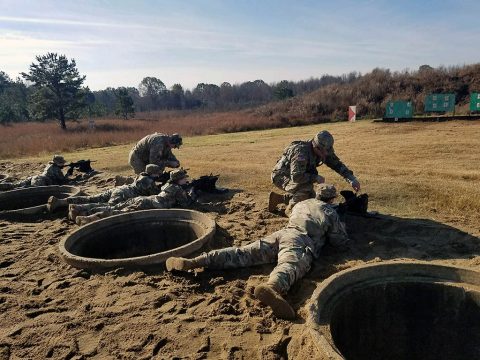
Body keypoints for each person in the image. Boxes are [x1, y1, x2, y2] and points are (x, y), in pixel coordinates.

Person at [165, 184, 350, 320]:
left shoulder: (302, 203)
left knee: (242, 253)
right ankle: (273, 287)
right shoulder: (329, 212)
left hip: (282, 233)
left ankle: (196, 261)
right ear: (332, 199)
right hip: (300, 239)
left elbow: (289, 210)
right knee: (291, 264)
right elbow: (339, 241)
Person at [269, 130, 360, 213]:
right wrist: (315, 177)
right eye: (324, 152)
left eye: (327, 151)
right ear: (316, 147)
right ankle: (291, 211)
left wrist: (352, 179)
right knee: (306, 188)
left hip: (294, 175)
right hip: (281, 176)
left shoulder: (324, 150)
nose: (326, 154)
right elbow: (297, 176)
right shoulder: (301, 152)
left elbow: (337, 165)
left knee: (311, 197)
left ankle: (277, 199)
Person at [75, 168, 196, 225]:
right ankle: (90, 218)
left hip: (141, 199)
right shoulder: (177, 189)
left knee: (114, 208)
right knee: (119, 213)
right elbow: (187, 204)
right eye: (184, 178)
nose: (186, 180)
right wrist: (191, 192)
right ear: (179, 180)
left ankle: (85, 212)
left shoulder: (168, 185)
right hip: (148, 204)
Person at [47, 164, 163, 213]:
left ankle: (61, 202)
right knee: (108, 207)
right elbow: (156, 195)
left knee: (93, 198)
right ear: (153, 173)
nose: (158, 175)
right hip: (124, 194)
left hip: (120, 189)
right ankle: (78, 208)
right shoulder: (149, 181)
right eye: (157, 173)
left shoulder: (141, 175)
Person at [0, 155, 68, 191]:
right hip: (41, 181)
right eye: (62, 163)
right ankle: (12, 192)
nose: (63, 164)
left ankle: (4, 185)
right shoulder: (56, 169)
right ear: (58, 163)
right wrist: (68, 174)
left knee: (16, 184)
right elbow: (61, 180)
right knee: (27, 189)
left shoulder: (49, 165)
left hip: (36, 177)